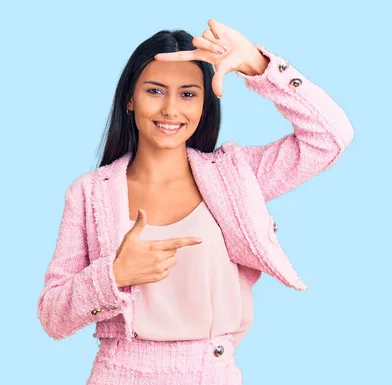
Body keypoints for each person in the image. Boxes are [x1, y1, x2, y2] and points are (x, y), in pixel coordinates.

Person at [37, 19, 354, 385]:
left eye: (188, 94)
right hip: (117, 373)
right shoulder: (90, 193)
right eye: (155, 91)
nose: (171, 109)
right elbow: (52, 316)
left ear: (206, 103)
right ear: (129, 98)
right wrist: (113, 275)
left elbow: (330, 136)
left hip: (210, 373)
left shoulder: (235, 177)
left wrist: (257, 63)